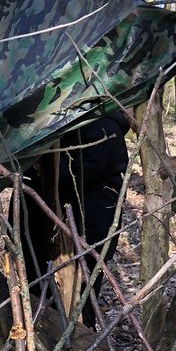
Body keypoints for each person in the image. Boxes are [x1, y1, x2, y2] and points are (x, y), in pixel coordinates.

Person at [22, 111, 130, 326]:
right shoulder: (69, 124)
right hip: (48, 232)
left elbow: (65, 175)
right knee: (37, 299)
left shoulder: (104, 129)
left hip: (85, 238)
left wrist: (31, 158)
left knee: (78, 308)